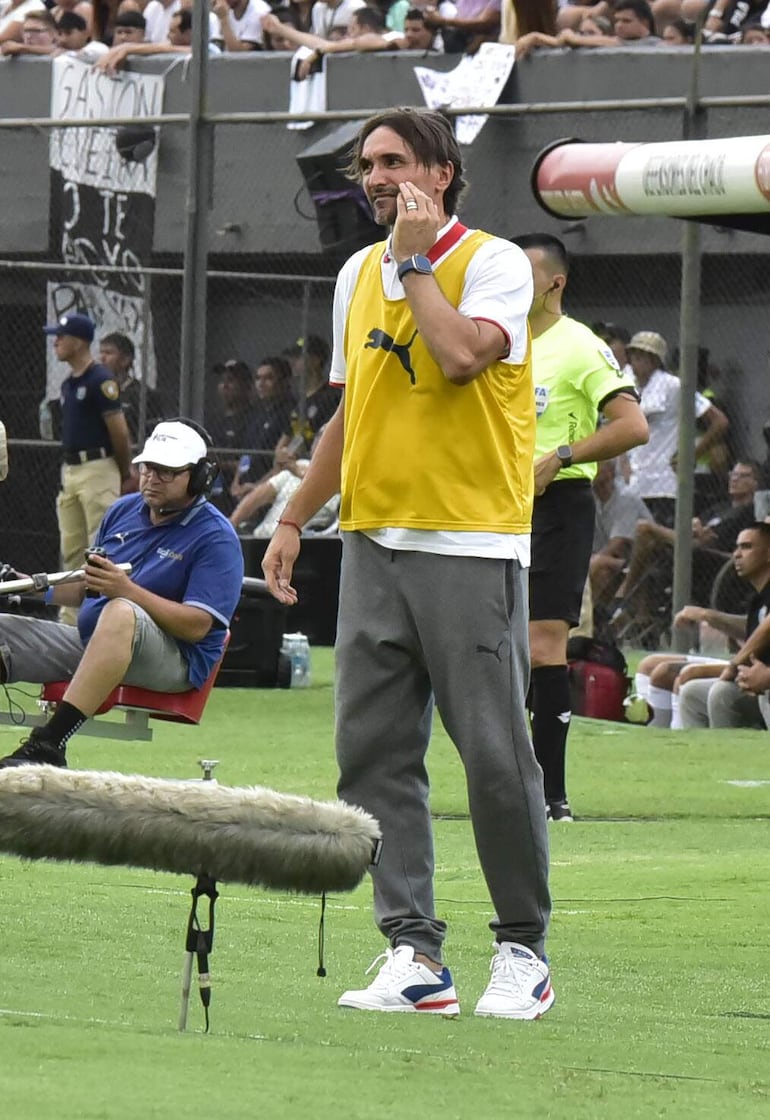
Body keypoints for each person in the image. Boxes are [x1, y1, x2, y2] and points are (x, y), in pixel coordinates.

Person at [262, 106, 554, 1021]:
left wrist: (417, 260)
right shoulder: (356, 270)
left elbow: (463, 357)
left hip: (469, 540)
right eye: (367, 164)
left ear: (442, 171)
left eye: (394, 161)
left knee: (496, 758)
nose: (376, 176)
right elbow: (355, 412)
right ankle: (414, 953)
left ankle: (523, 952)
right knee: (374, 756)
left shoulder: (495, 263)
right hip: (371, 539)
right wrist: (295, 514)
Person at [0, 420, 244, 769]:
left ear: (200, 476)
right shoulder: (123, 509)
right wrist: (20, 587)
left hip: (174, 661)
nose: (152, 477)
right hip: (99, 642)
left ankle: (49, 745)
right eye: (148, 467)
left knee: (120, 610)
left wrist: (127, 591)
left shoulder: (217, 538)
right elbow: (89, 585)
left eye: (167, 471)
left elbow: (197, 626)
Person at [510, 234, 648, 823]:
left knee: (544, 645)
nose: (513, 281)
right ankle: (506, 785)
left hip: (557, 506)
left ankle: (551, 796)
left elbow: (633, 425)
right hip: (491, 506)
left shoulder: (581, 347)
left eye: (525, 271)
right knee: (491, 649)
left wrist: (561, 455)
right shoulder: (499, 341)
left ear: (555, 282)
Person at [46, 313, 134, 627]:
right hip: (71, 470)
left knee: (100, 549)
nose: (55, 341)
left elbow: (119, 433)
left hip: (99, 467)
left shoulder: (101, 380)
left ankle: (102, 618)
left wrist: (124, 473)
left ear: (79, 341)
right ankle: (69, 623)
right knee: (70, 549)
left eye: (61, 335)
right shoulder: (70, 383)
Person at [623, 330, 728, 528]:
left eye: (639, 357)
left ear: (653, 360)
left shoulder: (673, 386)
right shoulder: (630, 387)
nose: (633, 362)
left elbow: (719, 421)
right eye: (632, 356)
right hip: (636, 481)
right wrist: (624, 465)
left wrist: (691, 455)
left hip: (664, 483)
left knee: (660, 538)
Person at [678, 523, 770, 728]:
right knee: (692, 693)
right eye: (736, 547)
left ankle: (733, 755)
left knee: (722, 693)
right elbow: (756, 628)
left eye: (746, 547)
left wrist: (735, 665)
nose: (736, 554)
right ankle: (700, 757)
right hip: (757, 681)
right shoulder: (758, 598)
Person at [590, 458, 652, 618]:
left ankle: (591, 623)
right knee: (598, 570)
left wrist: (592, 561)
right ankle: (597, 624)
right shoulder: (593, 501)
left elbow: (617, 546)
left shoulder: (625, 498)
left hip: (637, 562)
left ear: (610, 471)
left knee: (596, 565)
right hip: (612, 563)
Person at [99, 332, 164, 445]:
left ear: (125, 359)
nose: (102, 358)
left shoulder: (142, 394)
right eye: (101, 352)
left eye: (109, 353)